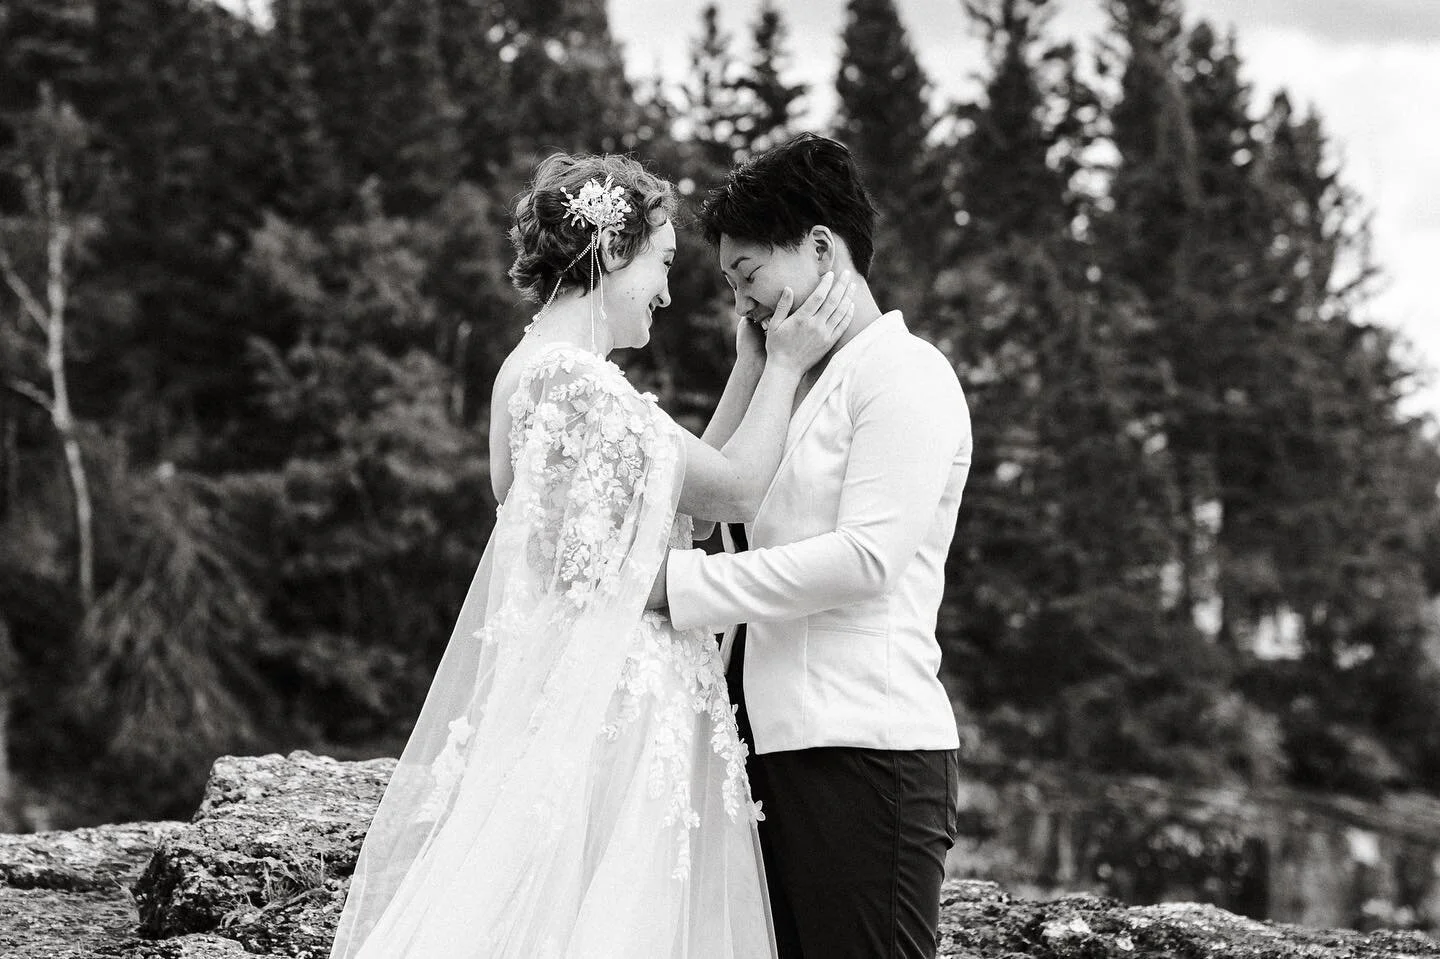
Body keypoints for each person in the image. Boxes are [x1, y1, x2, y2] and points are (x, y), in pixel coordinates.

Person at [327, 152, 856, 959]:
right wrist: (784, 363)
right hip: (622, 708)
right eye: (664, 262)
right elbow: (739, 492)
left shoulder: (526, 377)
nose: (670, 292)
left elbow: (682, 503)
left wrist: (747, 370)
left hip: (581, 689)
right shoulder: (583, 387)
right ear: (612, 252)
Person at [650, 133, 974, 959]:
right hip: (766, 749)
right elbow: (701, 499)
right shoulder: (791, 379)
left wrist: (684, 589)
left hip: (868, 754)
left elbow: (866, 559)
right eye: (731, 286)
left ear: (821, 249)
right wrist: (755, 371)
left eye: (749, 274)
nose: (742, 304)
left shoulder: (906, 374)